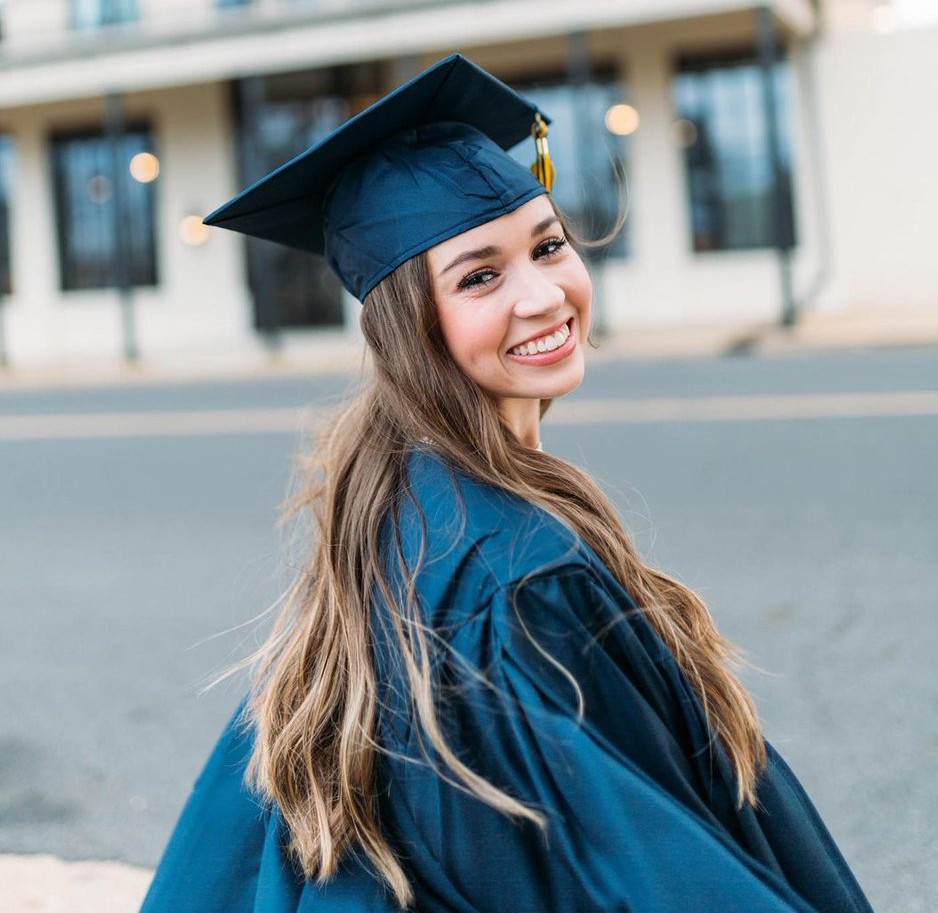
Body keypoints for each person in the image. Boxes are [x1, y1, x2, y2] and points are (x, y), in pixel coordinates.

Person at [140, 54, 874, 913]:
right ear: (410, 324)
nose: (541, 295)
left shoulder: (400, 494)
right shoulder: (515, 577)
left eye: (548, 245)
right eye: (479, 276)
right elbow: (637, 867)